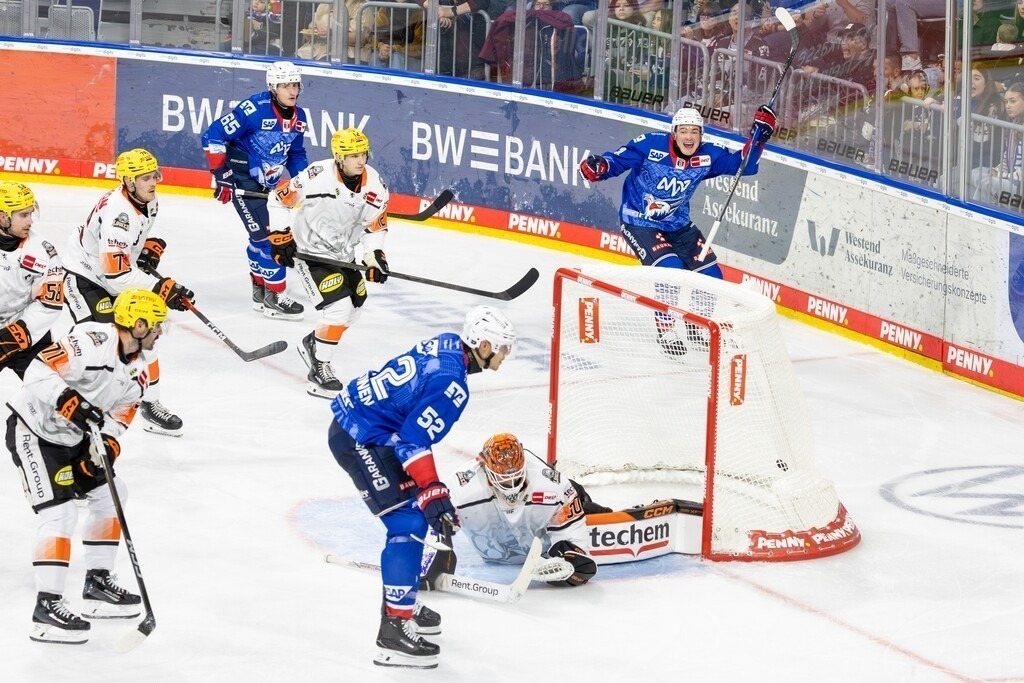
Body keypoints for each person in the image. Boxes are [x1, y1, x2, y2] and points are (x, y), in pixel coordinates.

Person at [327, 305, 516, 668]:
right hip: (360, 436)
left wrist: (430, 491)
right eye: (503, 348)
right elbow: (412, 441)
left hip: (368, 426)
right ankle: (394, 630)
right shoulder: (453, 386)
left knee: (418, 513)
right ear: (485, 343)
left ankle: (404, 602)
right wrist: (431, 490)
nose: (505, 355)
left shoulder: (447, 343)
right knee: (409, 524)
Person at [5, 288, 168, 644]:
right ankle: (46, 609)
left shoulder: (139, 367)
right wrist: (66, 400)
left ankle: (97, 584)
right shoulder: (91, 341)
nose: (160, 332)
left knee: (112, 493)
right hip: (35, 431)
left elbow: (122, 414)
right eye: (156, 325)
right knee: (59, 514)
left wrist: (105, 449)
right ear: (138, 325)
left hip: (77, 440)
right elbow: (35, 369)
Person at [579, 105, 775, 355]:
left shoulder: (708, 156)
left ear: (701, 135)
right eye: (684, 131)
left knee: (712, 275)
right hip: (640, 222)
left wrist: (758, 138)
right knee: (670, 270)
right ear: (674, 133)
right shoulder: (649, 146)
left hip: (679, 225)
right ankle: (666, 328)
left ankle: (696, 326)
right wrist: (600, 167)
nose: (690, 137)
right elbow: (615, 162)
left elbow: (744, 166)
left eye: (695, 132)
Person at [62, 148, 193, 437]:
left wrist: (143, 251)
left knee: (146, 335)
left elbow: (125, 256)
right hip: (85, 279)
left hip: (111, 274)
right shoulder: (117, 215)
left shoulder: (148, 199)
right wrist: (159, 287)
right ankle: (69, 402)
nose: (153, 182)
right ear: (129, 182)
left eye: (154, 175)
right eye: (145, 178)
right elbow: (117, 274)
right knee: (98, 342)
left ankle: (150, 405)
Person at [265, 127, 390, 399]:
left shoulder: (376, 185)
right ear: (338, 157)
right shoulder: (317, 175)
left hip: (345, 255)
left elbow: (375, 227)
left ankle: (315, 343)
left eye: (362, 154)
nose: (360, 160)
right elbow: (278, 198)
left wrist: (374, 256)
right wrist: (280, 235)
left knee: (354, 309)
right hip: (310, 254)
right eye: (352, 155)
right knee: (338, 309)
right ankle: (319, 367)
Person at [200, 60, 309, 321]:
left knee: (257, 239)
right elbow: (212, 135)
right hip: (242, 181)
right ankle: (275, 296)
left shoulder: (300, 117)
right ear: (273, 87)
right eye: (285, 85)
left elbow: (295, 154)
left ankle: (261, 292)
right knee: (269, 238)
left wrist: (305, 181)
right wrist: (221, 174)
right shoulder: (253, 110)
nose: (292, 90)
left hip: (267, 185)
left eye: (295, 85)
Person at [438, 433, 598, 587]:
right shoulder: (459, 489)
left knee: (583, 564)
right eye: (504, 479)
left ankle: (597, 508)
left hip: (547, 529)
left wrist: (571, 562)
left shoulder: (553, 485)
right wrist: (432, 556)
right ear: (484, 466)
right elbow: (431, 522)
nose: (512, 483)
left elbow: (576, 541)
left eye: (516, 476)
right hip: (498, 554)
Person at [0, 181, 65, 380]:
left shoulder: (43, 251)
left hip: (28, 329)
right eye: (22, 215)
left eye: (30, 213)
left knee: (51, 392)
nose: (30, 221)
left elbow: (51, 304)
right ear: (3, 217)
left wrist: (15, 335)